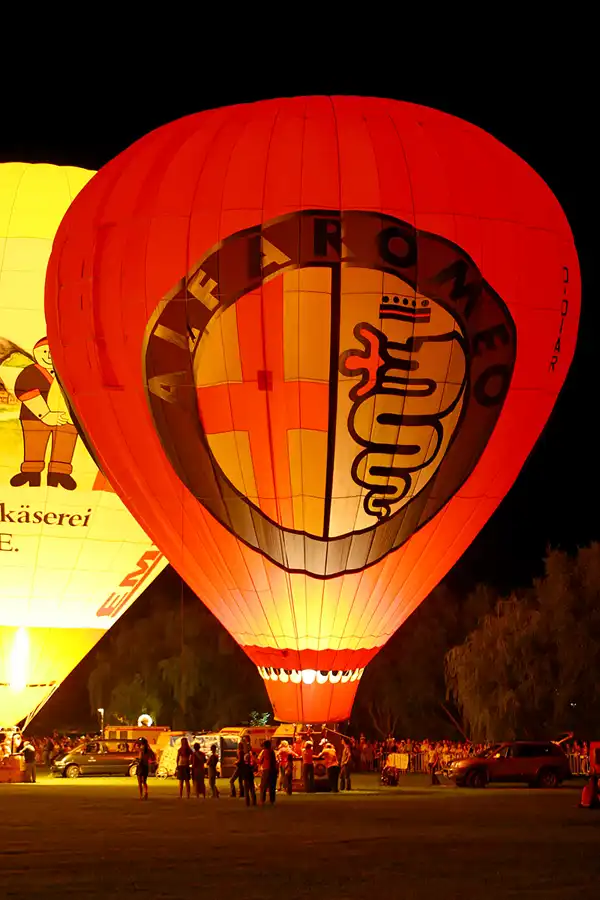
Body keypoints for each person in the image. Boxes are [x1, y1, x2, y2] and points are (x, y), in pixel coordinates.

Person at [258, 740, 278, 805]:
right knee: (272, 786)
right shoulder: (272, 752)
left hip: (266, 770)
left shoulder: (264, 752)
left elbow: (260, 761)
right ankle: (272, 800)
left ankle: (262, 800)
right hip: (273, 770)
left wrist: (253, 758)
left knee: (263, 786)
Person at [241, 740, 257, 807]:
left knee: (247, 790)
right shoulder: (250, 757)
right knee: (251, 789)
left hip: (247, 776)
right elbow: (253, 765)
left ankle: (248, 802)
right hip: (250, 775)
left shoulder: (246, 758)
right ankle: (253, 801)